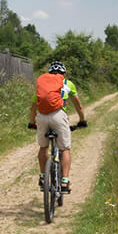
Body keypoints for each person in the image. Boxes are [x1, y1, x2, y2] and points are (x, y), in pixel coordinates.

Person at [28, 61, 86, 193]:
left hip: (42, 116)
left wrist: (32, 123)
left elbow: (33, 108)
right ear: (63, 74)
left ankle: (43, 177)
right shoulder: (67, 83)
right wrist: (82, 120)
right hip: (59, 116)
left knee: (43, 147)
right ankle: (64, 182)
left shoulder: (42, 86)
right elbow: (79, 106)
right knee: (65, 149)